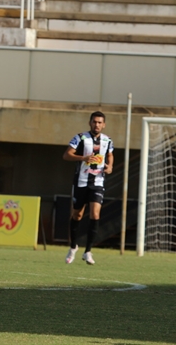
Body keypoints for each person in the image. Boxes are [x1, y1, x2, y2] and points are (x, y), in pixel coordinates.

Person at [62, 111, 114, 265]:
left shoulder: (107, 140)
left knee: (95, 214)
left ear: (104, 124)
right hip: (81, 182)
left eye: (100, 122)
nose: (97, 125)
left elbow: (110, 155)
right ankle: (73, 247)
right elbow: (66, 155)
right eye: (94, 122)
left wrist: (110, 166)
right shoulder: (80, 138)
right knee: (77, 215)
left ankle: (88, 251)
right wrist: (83, 158)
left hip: (97, 182)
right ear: (90, 122)